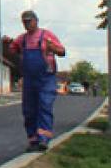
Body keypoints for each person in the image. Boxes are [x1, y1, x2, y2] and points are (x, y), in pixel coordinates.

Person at [5, 10, 66, 152]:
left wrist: (52, 48)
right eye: (24, 22)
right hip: (29, 79)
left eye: (29, 21)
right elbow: (12, 50)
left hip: (46, 78)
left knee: (45, 106)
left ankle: (43, 139)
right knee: (29, 110)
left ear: (36, 21)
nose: (27, 24)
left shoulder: (47, 35)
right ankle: (33, 139)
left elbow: (62, 52)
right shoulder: (22, 39)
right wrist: (8, 43)